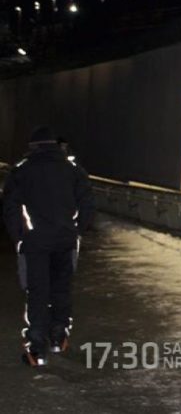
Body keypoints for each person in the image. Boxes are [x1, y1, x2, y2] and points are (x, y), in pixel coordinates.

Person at [2, 126, 95, 367]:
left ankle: (36, 349)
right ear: (56, 145)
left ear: (33, 147)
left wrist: (19, 236)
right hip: (65, 241)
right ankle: (59, 338)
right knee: (61, 289)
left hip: (34, 244)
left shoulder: (21, 171)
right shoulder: (74, 170)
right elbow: (87, 204)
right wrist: (77, 230)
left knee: (38, 292)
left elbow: (10, 207)